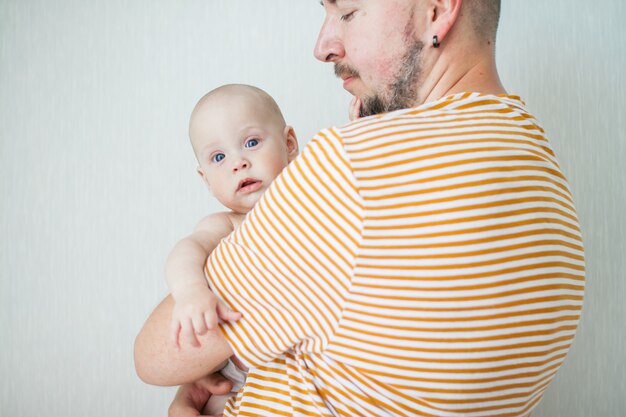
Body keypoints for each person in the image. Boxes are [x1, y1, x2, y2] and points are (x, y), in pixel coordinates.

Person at [135, 1, 586, 416]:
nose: (322, 46)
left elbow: (154, 357)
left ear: (438, 9)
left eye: (347, 12)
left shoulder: (352, 168)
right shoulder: (541, 169)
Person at [164, 83, 299, 414]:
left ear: (289, 144)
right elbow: (186, 251)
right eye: (218, 157)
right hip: (231, 375)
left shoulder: (307, 209)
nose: (238, 163)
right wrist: (191, 293)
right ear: (206, 179)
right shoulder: (226, 224)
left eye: (251, 143)